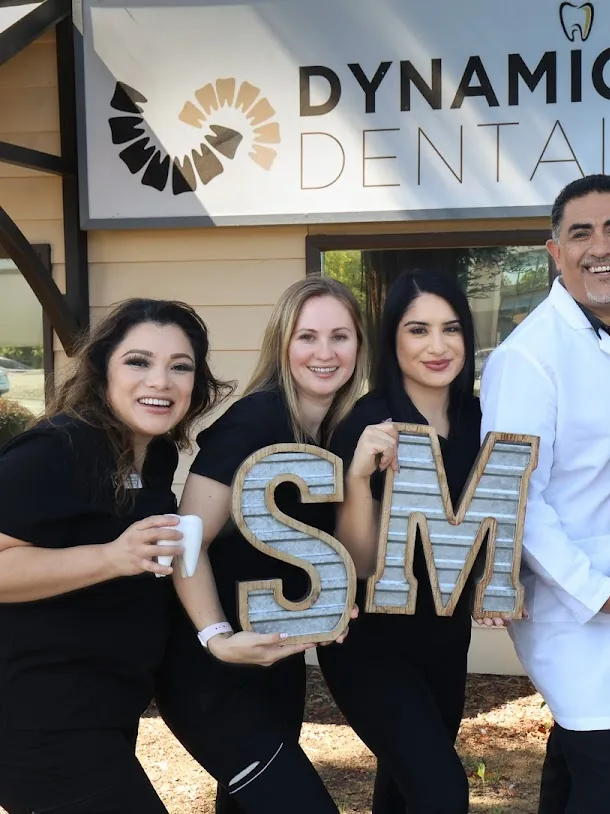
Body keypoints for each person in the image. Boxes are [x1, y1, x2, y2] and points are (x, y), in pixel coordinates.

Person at [479, 174, 610, 814]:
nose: (600, 248)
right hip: (578, 608)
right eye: (580, 233)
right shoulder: (528, 356)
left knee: (579, 772)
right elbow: (516, 499)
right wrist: (602, 594)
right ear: (554, 251)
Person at [0, 299, 231, 814]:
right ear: (103, 367)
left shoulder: (154, 455)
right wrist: (112, 556)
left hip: (105, 713)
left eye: (180, 366)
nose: (161, 381)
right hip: (38, 723)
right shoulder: (56, 450)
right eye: (138, 361)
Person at [155, 277, 368, 814]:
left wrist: (330, 601)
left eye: (340, 336)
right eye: (307, 337)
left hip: (275, 663)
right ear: (282, 344)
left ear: (359, 346)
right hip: (211, 671)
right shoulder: (257, 418)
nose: (325, 353)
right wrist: (217, 637)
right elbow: (186, 539)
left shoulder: (337, 433)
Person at [318, 270, 480, 814]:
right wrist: (358, 478)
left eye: (451, 329)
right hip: (371, 643)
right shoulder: (366, 423)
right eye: (418, 330)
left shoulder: (481, 420)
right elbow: (359, 562)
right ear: (392, 339)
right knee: (442, 791)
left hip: (445, 636)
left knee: (406, 791)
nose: (438, 346)